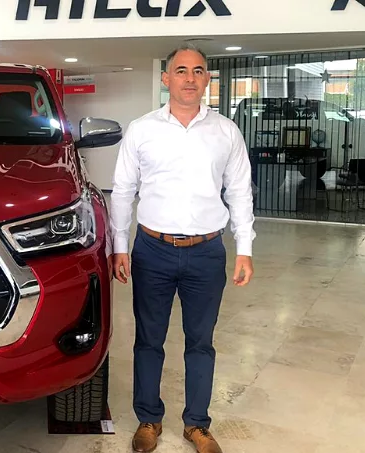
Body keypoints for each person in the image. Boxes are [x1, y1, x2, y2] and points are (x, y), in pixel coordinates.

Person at [110, 43, 255, 453]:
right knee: (148, 339)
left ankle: (197, 424)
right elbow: (123, 190)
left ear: (207, 79)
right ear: (166, 78)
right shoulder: (142, 129)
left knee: (201, 342)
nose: (190, 79)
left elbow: (240, 191)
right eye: (181, 70)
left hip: (206, 252)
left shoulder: (226, 131)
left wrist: (244, 248)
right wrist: (120, 245)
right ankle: (148, 419)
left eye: (198, 71)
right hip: (152, 250)